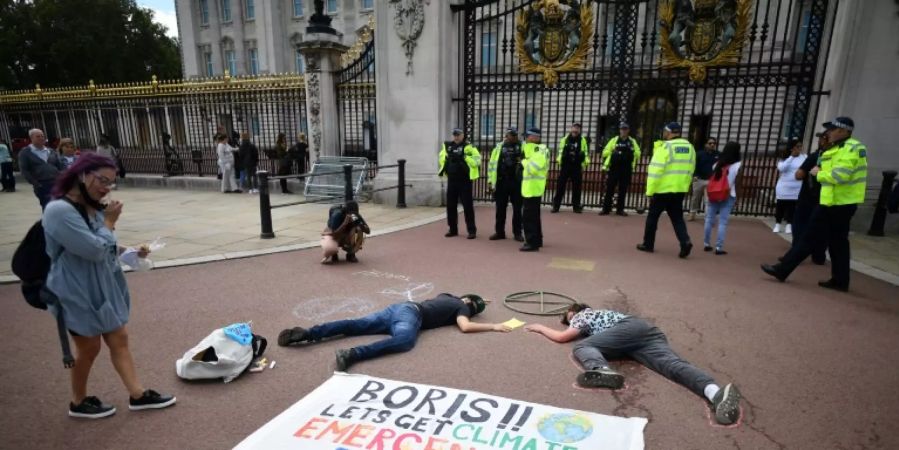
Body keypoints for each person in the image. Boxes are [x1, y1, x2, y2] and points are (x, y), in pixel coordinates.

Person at [42, 153, 176, 419]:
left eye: (111, 183)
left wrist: (130, 251)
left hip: (101, 283)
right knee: (89, 347)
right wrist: (110, 223)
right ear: (81, 174)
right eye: (102, 180)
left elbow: (104, 245)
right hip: (77, 289)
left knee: (119, 338)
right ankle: (78, 402)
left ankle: (138, 395)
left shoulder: (89, 206)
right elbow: (92, 249)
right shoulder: (59, 210)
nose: (105, 188)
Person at [524, 303, 742, 426]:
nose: (569, 321)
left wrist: (540, 328)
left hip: (628, 331)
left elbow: (563, 337)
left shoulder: (583, 315)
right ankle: (715, 393)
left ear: (575, 311)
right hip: (644, 334)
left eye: (568, 317)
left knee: (581, 347)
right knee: (672, 366)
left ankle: (601, 369)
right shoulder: (603, 317)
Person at [762, 117, 868, 292]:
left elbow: (840, 176)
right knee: (838, 243)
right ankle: (840, 280)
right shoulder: (835, 148)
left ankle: (783, 269)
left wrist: (819, 174)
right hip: (833, 202)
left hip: (837, 204)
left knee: (809, 237)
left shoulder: (853, 148)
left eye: (832, 129)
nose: (829, 133)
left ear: (843, 131)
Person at [277, 293, 511, 371]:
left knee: (355, 324)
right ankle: (353, 354)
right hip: (410, 316)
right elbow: (465, 326)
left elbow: (467, 300)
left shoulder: (448, 297)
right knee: (404, 340)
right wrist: (494, 326)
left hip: (398, 308)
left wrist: (478, 299)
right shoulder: (462, 307)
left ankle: (308, 333)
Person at [637, 122, 696, 258]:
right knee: (677, 219)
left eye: (665, 131)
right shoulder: (690, 147)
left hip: (662, 190)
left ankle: (648, 244)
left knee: (653, 218)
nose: (663, 134)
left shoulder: (665, 147)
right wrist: (685, 187)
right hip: (679, 190)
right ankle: (685, 241)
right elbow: (691, 169)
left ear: (669, 132)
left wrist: (650, 191)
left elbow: (655, 171)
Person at [782, 131, 830, 264]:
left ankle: (795, 254)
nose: (820, 141)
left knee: (800, 225)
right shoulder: (835, 158)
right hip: (826, 198)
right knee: (822, 227)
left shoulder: (816, 156)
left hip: (809, 196)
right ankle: (818, 255)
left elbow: (799, 175)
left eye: (821, 138)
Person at [438, 128, 480, 239]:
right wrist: (446, 158)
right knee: (451, 206)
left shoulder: (469, 147)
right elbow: (441, 158)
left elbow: (477, 161)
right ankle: (452, 229)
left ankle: (471, 231)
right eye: (454, 135)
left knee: (467, 206)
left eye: (458, 135)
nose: (456, 137)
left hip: (465, 180)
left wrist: (465, 157)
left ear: (463, 135)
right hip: (452, 180)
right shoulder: (448, 146)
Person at [703, 142, 742, 255]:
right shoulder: (738, 165)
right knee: (723, 222)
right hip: (729, 194)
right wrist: (738, 198)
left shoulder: (717, 164)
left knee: (709, 218)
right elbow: (738, 184)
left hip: (714, 193)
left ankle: (706, 243)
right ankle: (718, 247)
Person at [487, 127, 524, 242]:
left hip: (517, 182)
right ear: (506, 135)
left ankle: (517, 233)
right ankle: (499, 232)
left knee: (517, 209)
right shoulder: (499, 147)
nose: (513, 137)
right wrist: (490, 182)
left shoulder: (523, 146)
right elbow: (492, 165)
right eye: (510, 135)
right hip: (502, 181)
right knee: (500, 209)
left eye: (515, 135)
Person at [600, 123, 641, 216]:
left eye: (625, 129)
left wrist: (630, 150)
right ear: (619, 130)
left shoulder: (632, 141)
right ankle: (606, 209)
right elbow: (604, 152)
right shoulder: (614, 140)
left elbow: (638, 153)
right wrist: (614, 151)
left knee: (623, 190)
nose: (624, 131)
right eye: (622, 129)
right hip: (614, 168)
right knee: (609, 189)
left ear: (628, 130)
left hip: (626, 169)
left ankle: (620, 210)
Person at [520, 128, 550, 252]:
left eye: (527, 136)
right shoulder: (532, 149)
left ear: (534, 137)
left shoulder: (539, 150)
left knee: (529, 217)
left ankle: (532, 243)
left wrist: (524, 161)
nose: (525, 139)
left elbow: (534, 168)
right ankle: (537, 240)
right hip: (530, 187)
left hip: (534, 187)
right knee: (534, 216)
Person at [18, 128, 65, 209]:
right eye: (38, 136)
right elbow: (24, 170)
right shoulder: (25, 153)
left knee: (60, 205)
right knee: (47, 206)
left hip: (56, 182)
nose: (41, 138)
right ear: (31, 138)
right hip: (42, 184)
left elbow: (60, 166)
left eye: (42, 136)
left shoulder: (51, 151)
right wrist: (36, 183)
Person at [552, 123, 589, 213]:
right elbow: (561, 151)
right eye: (574, 128)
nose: (575, 130)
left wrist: (582, 158)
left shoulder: (582, 140)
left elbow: (585, 152)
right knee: (560, 186)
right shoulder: (565, 139)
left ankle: (576, 207)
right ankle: (556, 206)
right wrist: (564, 156)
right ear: (571, 129)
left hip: (576, 165)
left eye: (577, 128)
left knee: (577, 187)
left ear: (579, 130)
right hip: (566, 165)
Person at [773, 139, 806, 234]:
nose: (800, 148)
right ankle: (778, 224)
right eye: (797, 146)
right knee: (780, 205)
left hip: (797, 186)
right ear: (792, 147)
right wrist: (791, 157)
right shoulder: (785, 158)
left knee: (792, 206)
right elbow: (782, 168)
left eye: (801, 146)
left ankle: (789, 225)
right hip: (784, 186)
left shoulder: (804, 157)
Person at [689, 137, 720, 221]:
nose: (712, 145)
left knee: (708, 200)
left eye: (714, 143)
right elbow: (694, 165)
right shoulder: (699, 154)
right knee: (695, 198)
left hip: (711, 180)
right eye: (710, 143)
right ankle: (692, 214)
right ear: (706, 144)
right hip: (699, 179)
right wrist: (694, 175)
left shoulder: (718, 154)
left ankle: (708, 217)